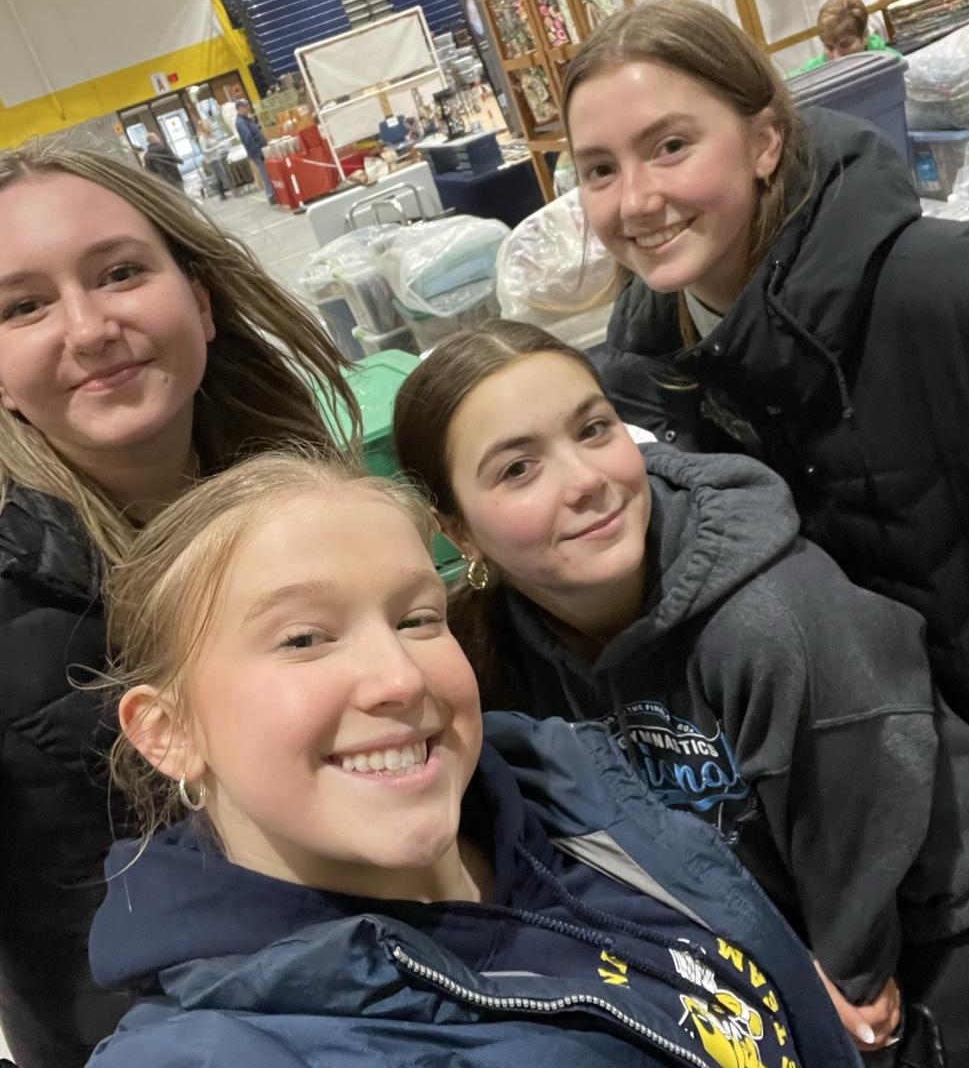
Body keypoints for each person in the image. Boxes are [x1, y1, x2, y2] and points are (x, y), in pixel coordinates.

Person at [86, 450, 859, 1068]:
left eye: (418, 619)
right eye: (304, 638)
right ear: (168, 732)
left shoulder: (573, 799)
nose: (399, 679)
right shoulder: (216, 1050)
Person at [393, 319, 969, 1068]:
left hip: (935, 922)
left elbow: (869, 828)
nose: (585, 480)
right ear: (457, 531)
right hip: (762, 922)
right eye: (518, 469)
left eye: (593, 429)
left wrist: (836, 974)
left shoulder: (771, 623)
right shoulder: (490, 649)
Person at [557, 0, 969, 765]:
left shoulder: (963, 296)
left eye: (670, 146)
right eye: (599, 169)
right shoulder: (640, 390)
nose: (635, 201)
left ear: (763, 142)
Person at [0, 140, 360, 1068]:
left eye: (120, 272)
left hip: (384, 999)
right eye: (24, 306)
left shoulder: (312, 500)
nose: (89, 329)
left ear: (199, 300)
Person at [793, 0, 902, 73]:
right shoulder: (815, 71)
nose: (836, 57)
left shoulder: (893, 63)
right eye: (829, 47)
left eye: (845, 45)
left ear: (864, 36)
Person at [234, 99, 277, 205]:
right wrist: (259, 149)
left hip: (259, 150)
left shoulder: (246, 119)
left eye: (247, 106)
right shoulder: (241, 122)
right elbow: (248, 138)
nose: (247, 108)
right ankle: (271, 195)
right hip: (257, 152)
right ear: (239, 109)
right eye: (245, 107)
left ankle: (273, 194)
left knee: (266, 172)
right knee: (265, 173)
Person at [196, 117, 233, 199]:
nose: (209, 127)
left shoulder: (210, 135)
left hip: (217, 156)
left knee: (218, 176)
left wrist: (222, 145)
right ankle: (232, 189)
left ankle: (222, 194)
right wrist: (216, 148)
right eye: (207, 126)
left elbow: (216, 143)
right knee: (222, 174)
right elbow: (205, 150)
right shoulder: (202, 138)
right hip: (212, 160)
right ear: (203, 128)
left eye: (209, 125)